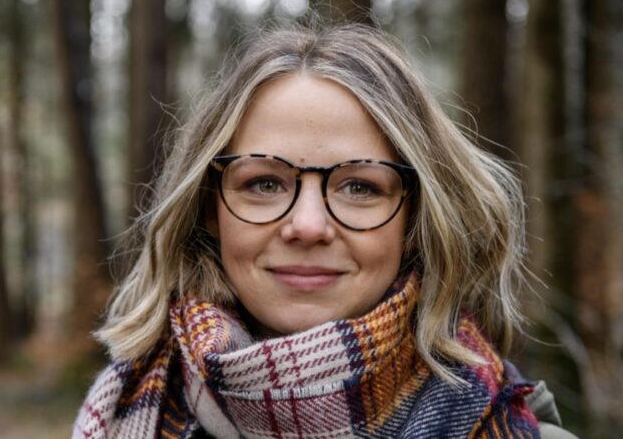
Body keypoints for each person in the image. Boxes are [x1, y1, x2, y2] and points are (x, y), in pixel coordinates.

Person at [73, 23, 576, 438]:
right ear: (209, 208)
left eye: (360, 187)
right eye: (264, 183)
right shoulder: (120, 419)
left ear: (416, 219)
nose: (308, 226)